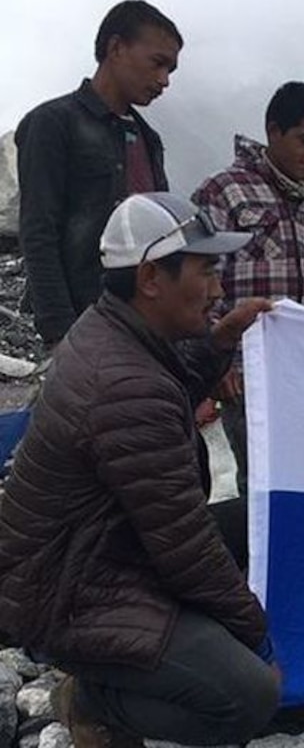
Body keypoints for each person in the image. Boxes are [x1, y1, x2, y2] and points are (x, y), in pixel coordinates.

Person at [0, 192, 279, 747]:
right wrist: (257, 635)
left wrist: (220, 341)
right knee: (250, 695)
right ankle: (97, 700)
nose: (219, 290)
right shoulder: (124, 383)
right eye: (205, 271)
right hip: (74, 589)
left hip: (105, 548)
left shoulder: (113, 331)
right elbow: (185, 547)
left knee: (261, 523)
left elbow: (166, 395)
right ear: (152, 277)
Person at [191, 82, 304, 499]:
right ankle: (255, 562)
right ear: (274, 131)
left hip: (302, 370)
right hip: (246, 371)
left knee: (303, 477)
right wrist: (216, 361)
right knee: (260, 481)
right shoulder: (224, 191)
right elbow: (200, 281)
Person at [15, 0, 182, 346]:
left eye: (171, 70)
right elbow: (38, 230)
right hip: (84, 325)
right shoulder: (53, 123)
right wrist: (60, 333)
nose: (164, 80)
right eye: (158, 63)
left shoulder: (149, 139)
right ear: (116, 47)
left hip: (142, 326)